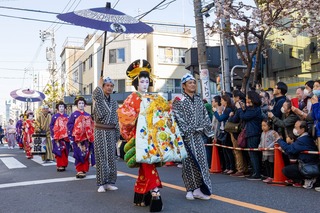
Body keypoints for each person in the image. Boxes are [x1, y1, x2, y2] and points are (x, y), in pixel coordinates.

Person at [117, 60, 164, 210]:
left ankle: (140, 193)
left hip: (151, 137)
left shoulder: (152, 97)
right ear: (137, 83)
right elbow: (124, 114)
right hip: (139, 137)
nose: (145, 84)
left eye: (146, 81)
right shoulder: (132, 98)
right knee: (148, 164)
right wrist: (138, 116)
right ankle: (155, 193)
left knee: (145, 166)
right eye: (142, 81)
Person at [172, 73, 214, 200]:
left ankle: (200, 189)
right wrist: (185, 131)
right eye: (189, 83)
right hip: (186, 136)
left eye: (194, 82)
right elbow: (177, 118)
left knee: (202, 162)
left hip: (198, 136)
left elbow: (205, 116)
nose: (192, 85)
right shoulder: (178, 100)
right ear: (184, 86)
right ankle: (190, 189)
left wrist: (208, 131)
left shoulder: (199, 100)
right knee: (188, 163)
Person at [92, 76, 120, 192]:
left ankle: (110, 182)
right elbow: (96, 94)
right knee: (101, 157)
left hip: (111, 131)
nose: (109, 88)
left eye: (111, 86)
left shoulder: (114, 102)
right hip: (100, 131)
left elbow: (117, 118)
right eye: (107, 85)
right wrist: (98, 85)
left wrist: (117, 134)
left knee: (111, 159)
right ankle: (101, 184)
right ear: (103, 87)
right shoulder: (98, 99)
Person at [274, 120, 319, 189]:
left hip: (307, 166)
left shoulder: (302, 140)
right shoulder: (306, 138)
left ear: (302, 129)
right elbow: (293, 150)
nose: (294, 129)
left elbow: (290, 149)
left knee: (286, 170)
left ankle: (307, 178)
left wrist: (278, 139)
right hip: (311, 164)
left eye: (296, 127)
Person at [236, 90, 263, 180]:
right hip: (252, 132)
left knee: (253, 153)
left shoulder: (255, 109)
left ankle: (257, 173)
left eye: (247, 98)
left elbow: (244, 116)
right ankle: (256, 171)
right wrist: (243, 108)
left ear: (251, 99)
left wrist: (240, 109)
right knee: (252, 153)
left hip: (253, 133)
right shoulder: (253, 108)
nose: (246, 99)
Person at [67, 96, 95, 178]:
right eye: (79, 103)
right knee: (78, 153)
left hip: (86, 138)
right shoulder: (73, 115)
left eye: (82, 103)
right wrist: (72, 136)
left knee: (86, 153)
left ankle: (84, 169)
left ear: (85, 105)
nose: (81, 105)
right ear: (76, 105)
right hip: (77, 138)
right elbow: (69, 125)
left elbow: (91, 125)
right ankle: (79, 170)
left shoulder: (88, 115)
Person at [213, 94, 235, 175]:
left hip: (227, 131)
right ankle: (227, 167)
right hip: (223, 130)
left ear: (226, 101)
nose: (221, 102)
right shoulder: (224, 109)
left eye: (222, 100)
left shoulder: (228, 109)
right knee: (225, 150)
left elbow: (220, 119)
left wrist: (215, 111)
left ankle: (231, 167)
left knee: (228, 150)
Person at [228, 90, 248, 177]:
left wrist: (230, 117)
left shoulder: (238, 105)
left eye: (233, 96)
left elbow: (236, 118)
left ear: (237, 97)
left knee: (237, 150)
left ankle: (240, 169)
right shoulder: (244, 104)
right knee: (241, 151)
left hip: (238, 130)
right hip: (242, 130)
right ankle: (245, 168)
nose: (233, 98)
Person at [50, 101, 70, 172]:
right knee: (59, 150)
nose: (61, 108)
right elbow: (51, 125)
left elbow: (70, 126)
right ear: (57, 108)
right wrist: (54, 133)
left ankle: (64, 164)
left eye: (62, 107)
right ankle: (60, 165)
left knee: (65, 150)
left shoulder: (67, 116)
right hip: (57, 137)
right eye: (60, 107)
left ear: (65, 108)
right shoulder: (54, 116)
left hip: (66, 137)